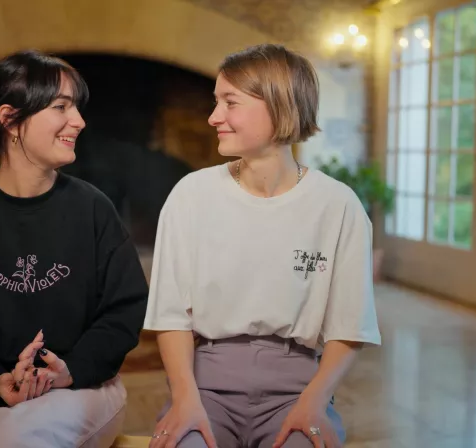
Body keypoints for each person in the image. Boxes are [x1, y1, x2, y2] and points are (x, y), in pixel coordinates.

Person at [0, 50, 149, 448]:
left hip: (81, 389)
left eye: (76, 107)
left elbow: (125, 310)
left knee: (17, 437)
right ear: (10, 119)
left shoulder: (93, 209)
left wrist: (69, 371)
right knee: (8, 435)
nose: (79, 121)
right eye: (61, 107)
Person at [143, 43, 382, 448]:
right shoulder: (190, 195)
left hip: (299, 392)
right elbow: (171, 316)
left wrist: (314, 402)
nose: (213, 116)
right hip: (204, 389)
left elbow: (349, 325)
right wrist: (184, 399)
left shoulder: (338, 205)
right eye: (215, 101)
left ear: (278, 104)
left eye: (230, 102)